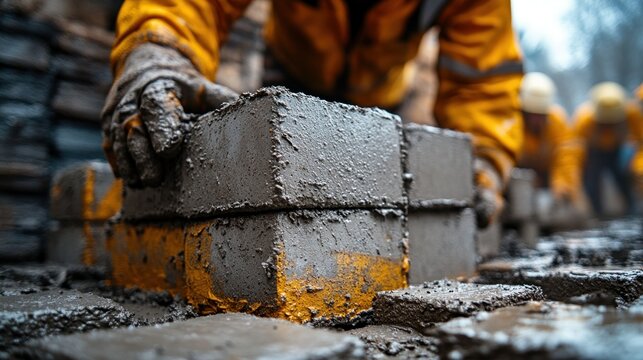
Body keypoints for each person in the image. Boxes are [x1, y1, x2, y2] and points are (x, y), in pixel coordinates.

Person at [101, 0, 524, 228]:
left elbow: (483, 80)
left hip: (382, 94)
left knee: (373, 209)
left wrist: (481, 162)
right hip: (290, 66)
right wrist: (159, 50)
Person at [571, 82, 643, 216]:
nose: (609, 126)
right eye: (605, 123)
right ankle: (596, 214)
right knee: (591, 181)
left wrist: (639, 167)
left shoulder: (632, 114)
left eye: (613, 123)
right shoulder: (583, 120)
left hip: (619, 151)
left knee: (624, 178)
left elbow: (641, 143)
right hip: (592, 154)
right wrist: (574, 184)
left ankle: (633, 210)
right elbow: (574, 154)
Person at [518, 72, 579, 204]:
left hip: (548, 175)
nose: (536, 120)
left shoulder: (558, 121)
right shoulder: (513, 123)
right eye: (531, 115)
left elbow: (566, 156)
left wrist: (563, 185)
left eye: (540, 115)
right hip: (518, 177)